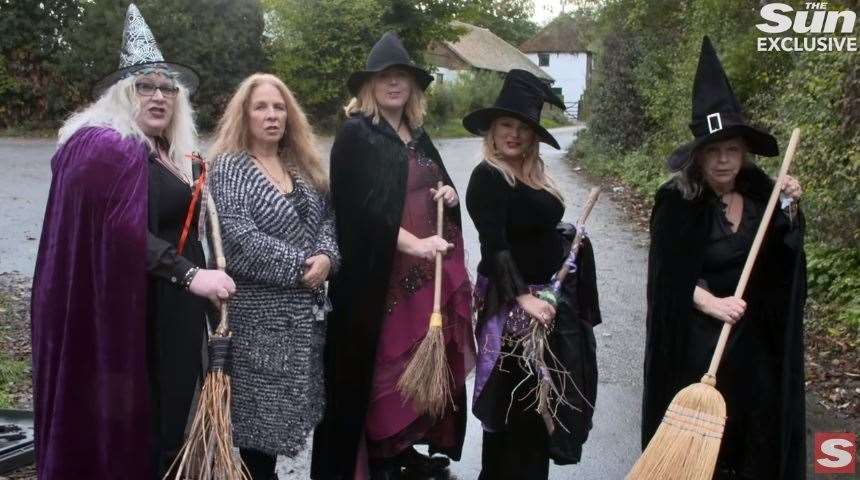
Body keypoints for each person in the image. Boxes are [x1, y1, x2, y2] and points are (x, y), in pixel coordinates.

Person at [30, 4, 235, 479]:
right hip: (127, 315)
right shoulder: (105, 147)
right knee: (127, 428)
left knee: (166, 429)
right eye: (146, 86)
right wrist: (191, 275)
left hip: (170, 313)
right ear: (124, 94)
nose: (160, 96)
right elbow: (116, 232)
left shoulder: (164, 152)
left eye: (169, 89)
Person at [641, 36, 807, 479]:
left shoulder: (759, 195)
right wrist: (711, 303)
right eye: (712, 151)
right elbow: (666, 280)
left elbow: (784, 262)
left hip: (751, 342)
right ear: (698, 156)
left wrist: (789, 207)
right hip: (698, 342)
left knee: (752, 438)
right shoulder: (676, 203)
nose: (722, 161)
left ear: (743, 152)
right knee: (704, 449)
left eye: (731, 150)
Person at [311, 32, 474, 480]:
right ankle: (375, 458)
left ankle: (403, 448)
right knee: (378, 365)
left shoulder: (419, 136)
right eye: (385, 77)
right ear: (369, 86)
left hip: (425, 276)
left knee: (416, 362)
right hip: (376, 277)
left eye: (402, 76)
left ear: (413, 87)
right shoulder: (357, 134)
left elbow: (442, 186)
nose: (394, 84)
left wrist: (448, 193)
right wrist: (414, 244)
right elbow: (359, 212)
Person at [464, 69, 601, 480]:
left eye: (524, 128)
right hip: (513, 312)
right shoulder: (488, 176)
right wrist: (521, 298)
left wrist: (568, 240)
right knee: (515, 406)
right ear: (492, 128)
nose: (515, 134)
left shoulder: (532, 174)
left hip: (545, 305)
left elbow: (536, 230)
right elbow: (495, 246)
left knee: (540, 408)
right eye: (507, 125)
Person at [207, 73, 339, 480]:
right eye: (261, 107)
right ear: (244, 115)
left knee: (292, 422)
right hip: (257, 326)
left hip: (305, 324)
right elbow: (239, 240)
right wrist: (305, 266)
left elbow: (330, 220)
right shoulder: (229, 168)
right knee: (256, 438)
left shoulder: (303, 165)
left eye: (279, 107)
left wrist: (329, 259)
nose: (271, 115)